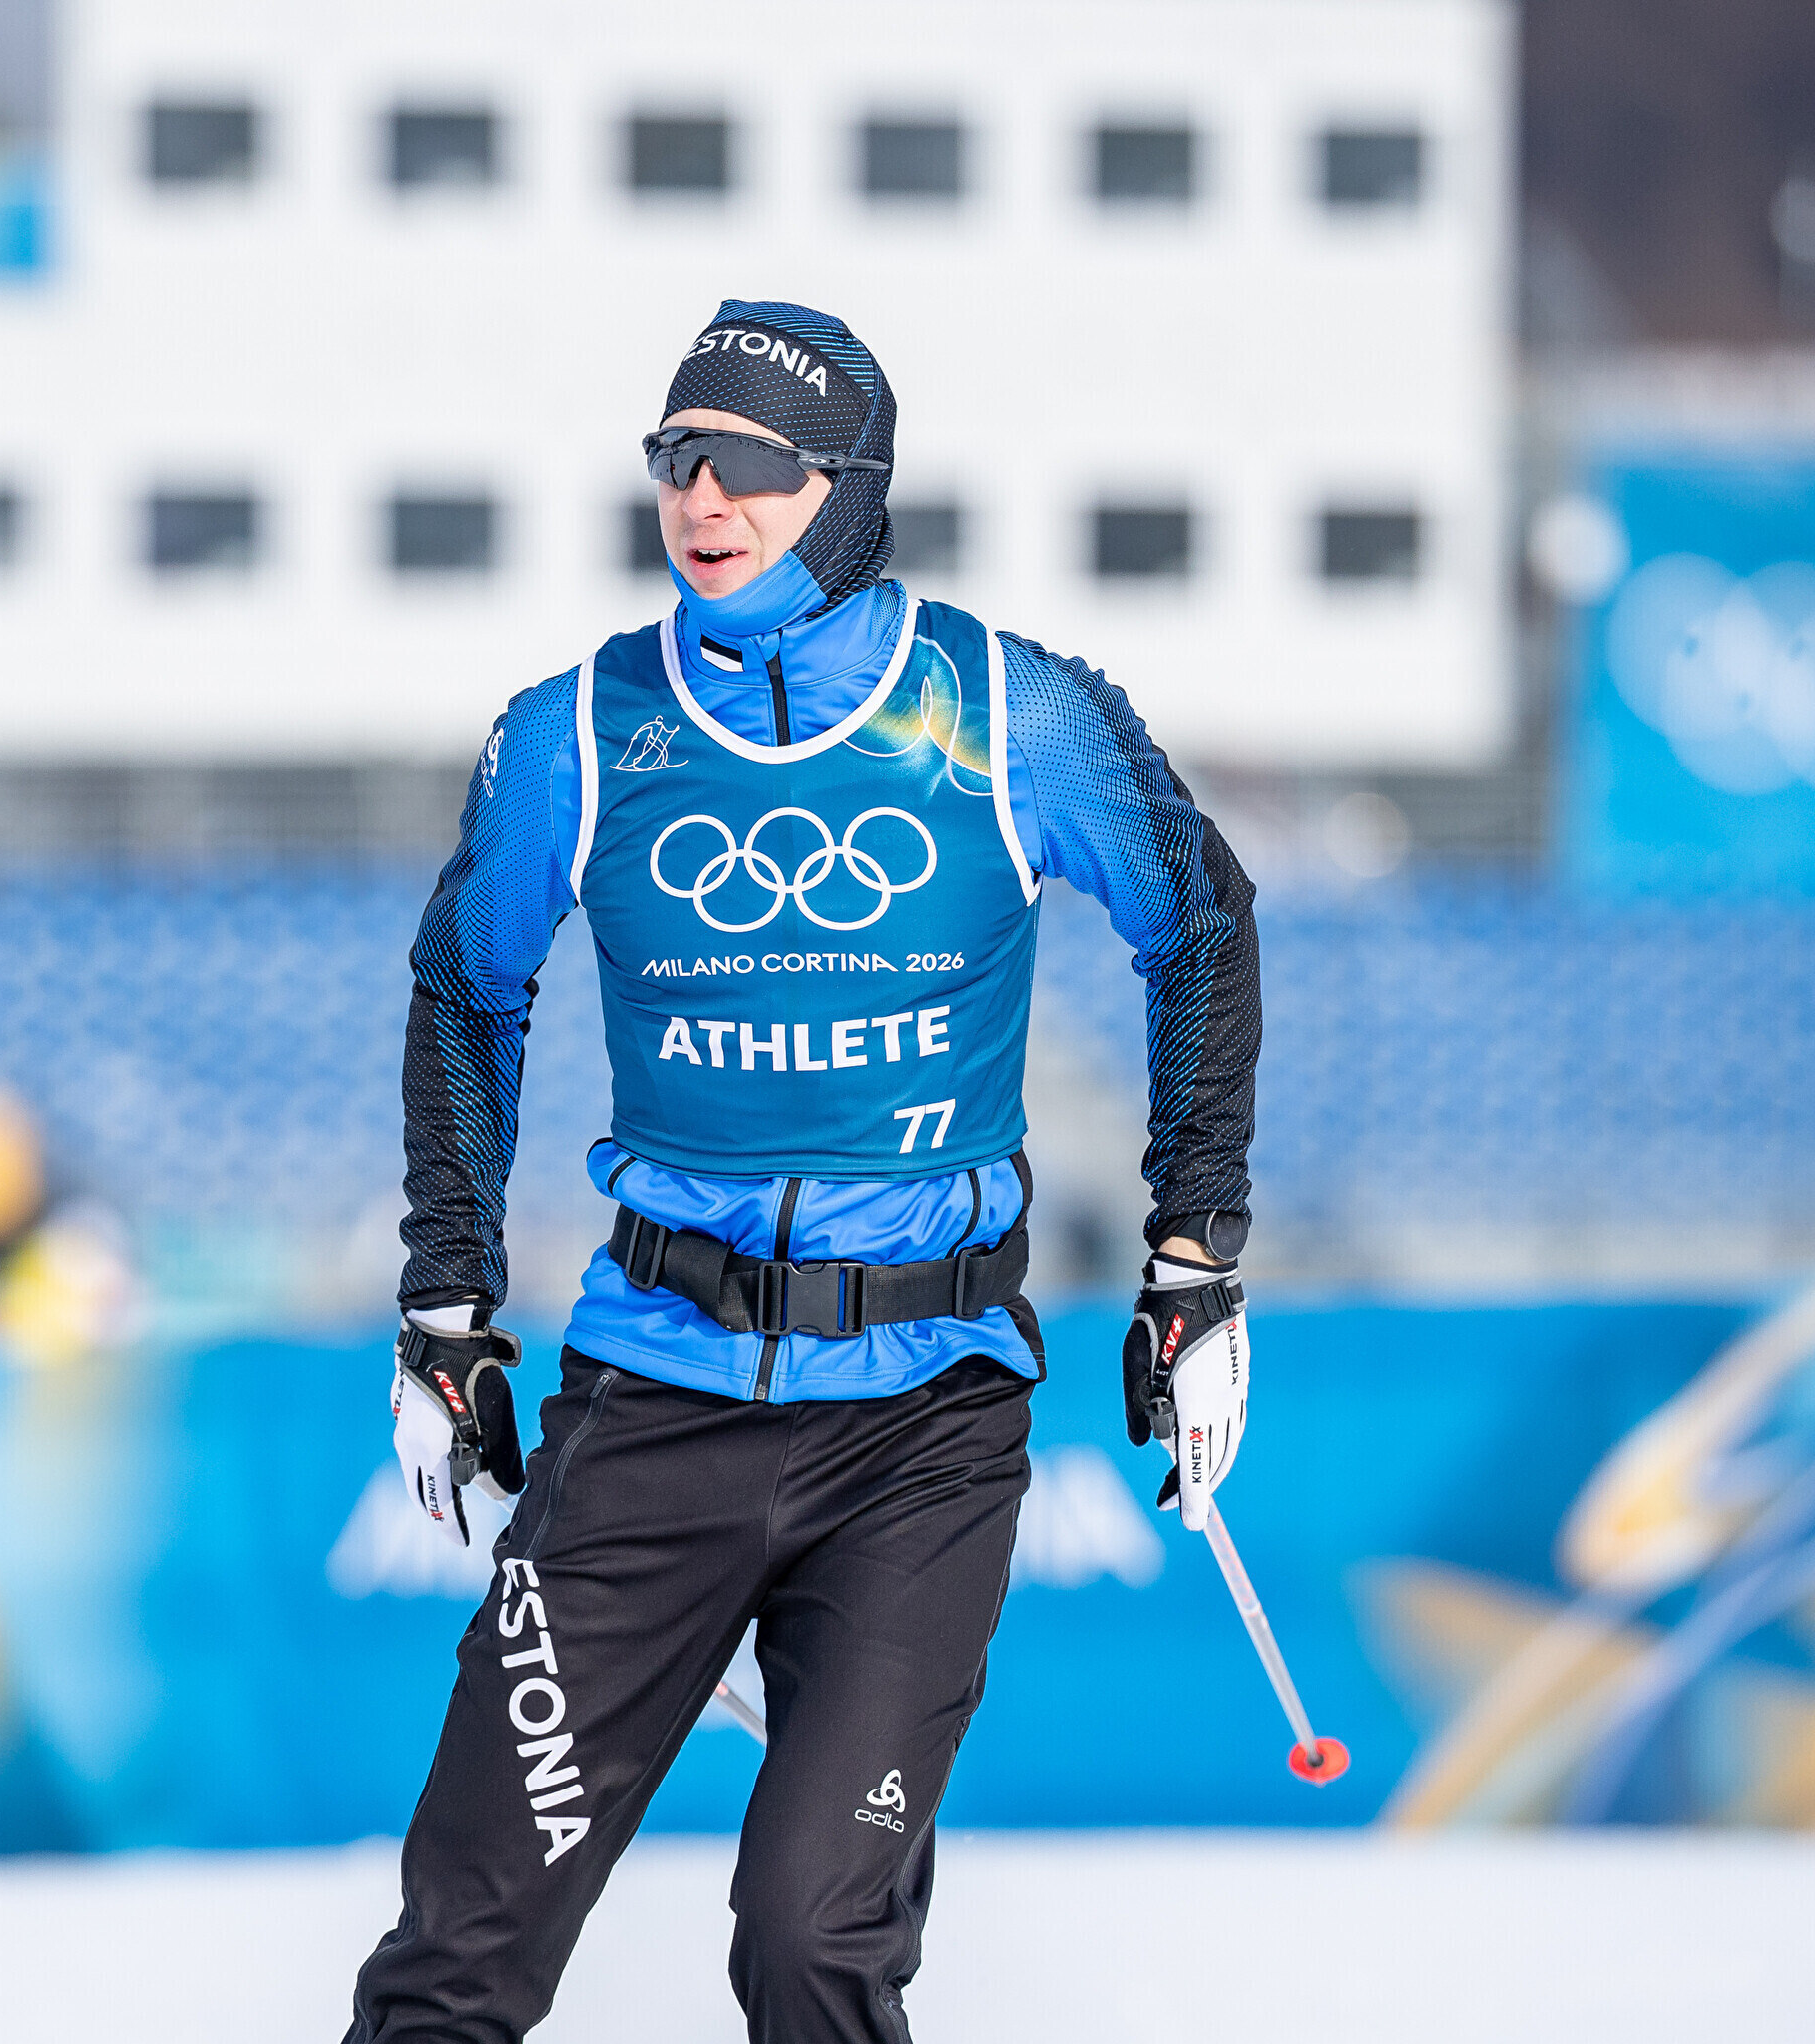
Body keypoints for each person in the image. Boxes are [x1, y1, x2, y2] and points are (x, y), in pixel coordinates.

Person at [351, 300, 1262, 2044]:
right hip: (653, 1406)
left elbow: (1201, 925)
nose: (703, 496)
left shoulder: (1007, 712)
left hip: (921, 1426)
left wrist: (1195, 1264)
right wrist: (445, 1305)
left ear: (846, 488)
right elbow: (466, 987)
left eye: (751, 465)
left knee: (810, 1941)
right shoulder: (576, 731)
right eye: (676, 457)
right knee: (460, 1950)